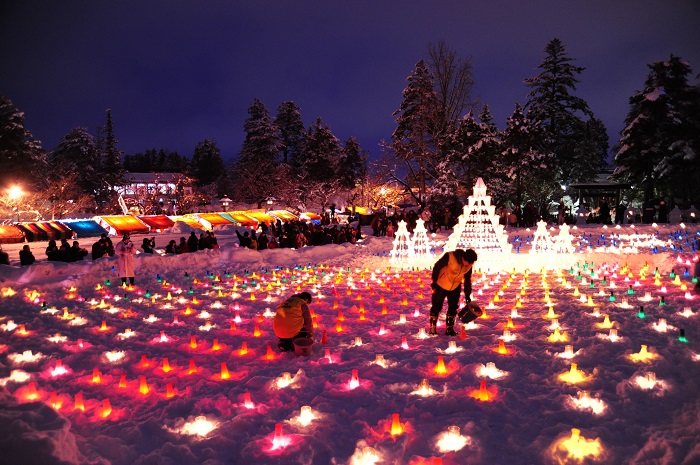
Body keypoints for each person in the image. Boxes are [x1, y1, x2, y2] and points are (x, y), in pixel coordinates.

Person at [429, 248, 478, 336]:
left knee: (453, 307)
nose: (468, 265)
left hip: (455, 286)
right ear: (463, 258)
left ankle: (449, 329)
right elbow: (437, 267)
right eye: (468, 262)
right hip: (441, 284)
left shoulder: (469, 264)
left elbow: (467, 280)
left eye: (470, 263)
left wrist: (467, 295)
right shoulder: (450, 256)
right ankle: (432, 327)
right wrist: (434, 282)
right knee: (436, 306)